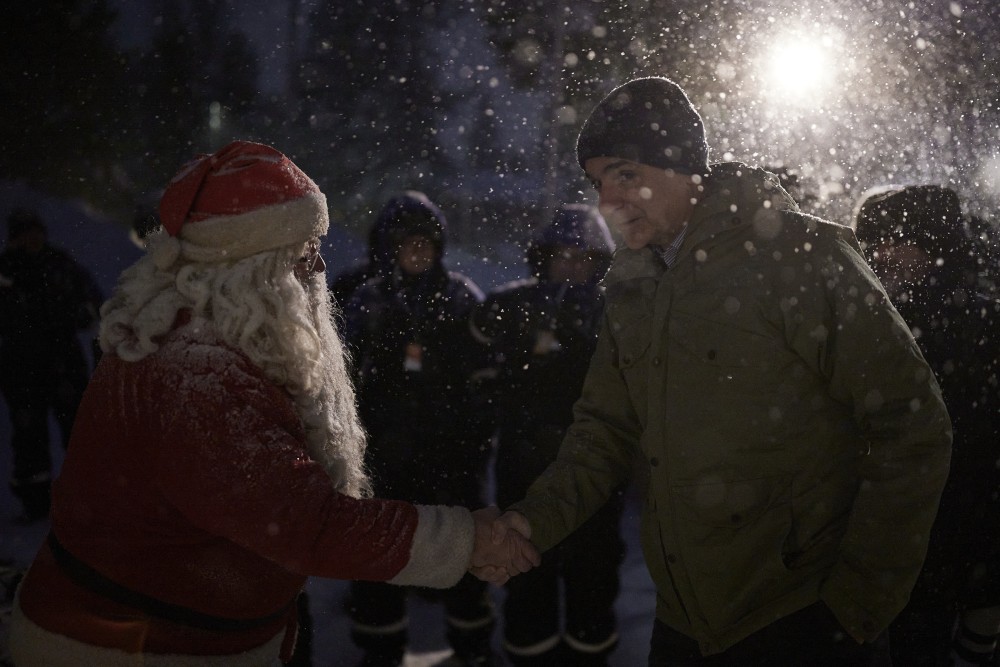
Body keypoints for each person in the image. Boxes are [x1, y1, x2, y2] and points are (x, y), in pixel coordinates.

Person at [6, 141, 538, 667]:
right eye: (304, 250)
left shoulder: (210, 331)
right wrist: (466, 540)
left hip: (173, 632)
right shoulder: (196, 370)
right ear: (251, 266)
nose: (319, 265)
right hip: (131, 646)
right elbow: (305, 523)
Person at [488, 77, 953, 665]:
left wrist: (858, 602)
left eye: (625, 174)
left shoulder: (799, 257)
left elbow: (911, 426)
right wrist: (531, 523)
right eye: (597, 181)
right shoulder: (631, 288)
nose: (607, 201)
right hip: (683, 621)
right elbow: (603, 431)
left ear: (682, 168)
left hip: (802, 620)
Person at [340, 190, 497, 667]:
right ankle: (380, 649)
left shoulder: (459, 296)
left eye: (426, 243)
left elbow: (485, 375)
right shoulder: (367, 300)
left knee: (462, 554)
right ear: (388, 247)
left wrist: (473, 438)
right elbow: (344, 378)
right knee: (378, 556)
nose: (418, 252)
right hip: (385, 458)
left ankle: (471, 648)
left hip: (450, 458)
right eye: (407, 243)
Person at [471, 203, 625, 665]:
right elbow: (476, 345)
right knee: (525, 565)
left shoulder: (613, 311)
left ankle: (588, 651)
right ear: (544, 258)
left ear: (600, 262)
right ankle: (531, 652)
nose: (573, 266)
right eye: (563, 255)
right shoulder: (516, 303)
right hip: (524, 463)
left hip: (595, 465)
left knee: (593, 569)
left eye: (584, 257)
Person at [853, 184, 1000, 666]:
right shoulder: (879, 317)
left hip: (947, 528)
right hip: (913, 533)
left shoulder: (969, 323)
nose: (880, 252)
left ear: (930, 244)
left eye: (894, 239)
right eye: (871, 241)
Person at [0, 208, 103, 522]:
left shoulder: (60, 265)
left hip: (64, 365)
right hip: (22, 368)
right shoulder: (5, 271)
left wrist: (82, 316)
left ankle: (88, 498)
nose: (33, 238)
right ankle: (36, 502)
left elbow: (92, 301)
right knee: (29, 438)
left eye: (37, 231)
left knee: (78, 433)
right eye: (26, 232)